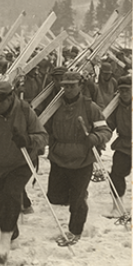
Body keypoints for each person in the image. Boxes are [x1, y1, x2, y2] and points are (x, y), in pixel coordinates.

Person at [0, 81, 48, 264]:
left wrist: (27, 139)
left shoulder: (24, 110)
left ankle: (4, 243)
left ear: (9, 98)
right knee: (0, 204)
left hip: (20, 162)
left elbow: (43, 137)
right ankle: (12, 234)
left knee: (11, 195)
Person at [45, 71, 112, 244]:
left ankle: (75, 230)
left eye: (72, 86)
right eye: (65, 86)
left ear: (80, 86)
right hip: (59, 157)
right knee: (55, 196)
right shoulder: (55, 106)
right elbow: (44, 127)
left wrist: (95, 138)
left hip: (82, 159)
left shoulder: (90, 107)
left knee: (77, 199)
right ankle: (79, 197)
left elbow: (105, 130)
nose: (68, 89)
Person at [106, 75, 131, 216]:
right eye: (121, 90)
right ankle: (117, 206)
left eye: (127, 90)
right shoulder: (116, 105)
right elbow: (110, 124)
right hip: (124, 144)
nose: (124, 93)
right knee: (116, 174)